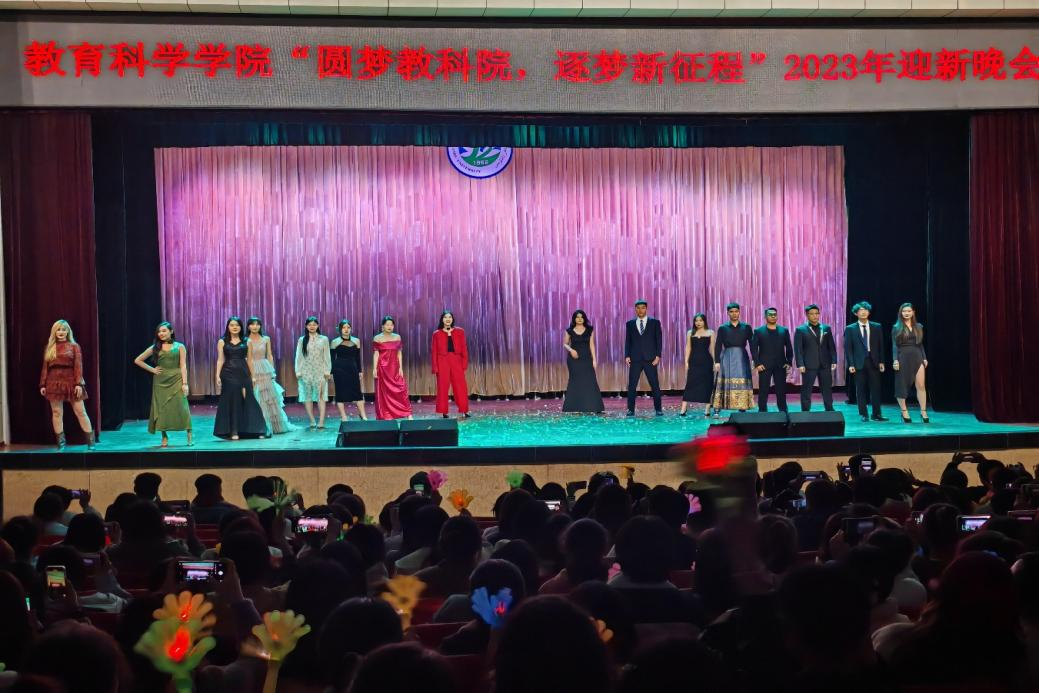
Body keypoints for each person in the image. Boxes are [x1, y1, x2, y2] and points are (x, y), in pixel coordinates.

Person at [133, 321, 193, 447]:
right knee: (161, 409)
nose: (161, 333)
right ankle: (164, 436)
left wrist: (185, 383)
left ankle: (189, 434)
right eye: (159, 331)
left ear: (171, 332)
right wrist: (152, 370)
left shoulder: (180, 346)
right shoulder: (155, 347)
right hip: (160, 382)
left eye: (164, 331)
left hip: (176, 379)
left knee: (182, 406)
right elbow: (138, 360)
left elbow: (183, 365)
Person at [39, 319, 95, 450]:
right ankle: (61, 444)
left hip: (71, 381)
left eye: (64, 330)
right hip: (53, 382)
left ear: (68, 332)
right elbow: (45, 368)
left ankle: (91, 443)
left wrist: (78, 384)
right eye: (58, 329)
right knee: (57, 412)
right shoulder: (49, 347)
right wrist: (42, 384)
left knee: (81, 412)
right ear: (54, 332)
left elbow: (78, 366)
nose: (61, 332)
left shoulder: (74, 346)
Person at [214, 316, 268, 440]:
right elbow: (220, 359)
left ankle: (257, 430)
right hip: (228, 374)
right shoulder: (222, 341)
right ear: (228, 327)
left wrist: (253, 376)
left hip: (243, 373)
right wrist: (217, 375)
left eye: (237, 325)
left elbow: (250, 360)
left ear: (241, 327)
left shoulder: (247, 341)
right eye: (232, 325)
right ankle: (233, 431)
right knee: (232, 401)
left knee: (249, 399)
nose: (235, 327)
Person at [246, 316, 294, 434]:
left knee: (269, 398)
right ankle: (259, 426)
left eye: (257, 324)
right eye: (252, 324)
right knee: (256, 396)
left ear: (260, 326)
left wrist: (272, 371)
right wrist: (249, 373)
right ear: (248, 326)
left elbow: (269, 355)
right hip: (251, 368)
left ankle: (271, 426)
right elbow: (247, 358)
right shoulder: (245, 340)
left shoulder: (266, 339)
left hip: (265, 368)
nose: (255, 327)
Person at [844, 301, 887, 422]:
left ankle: (876, 414)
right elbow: (848, 348)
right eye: (860, 310)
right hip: (858, 362)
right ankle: (863, 414)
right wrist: (851, 364)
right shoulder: (850, 328)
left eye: (865, 310)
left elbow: (880, 345)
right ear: (856, 313)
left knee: (876, 389)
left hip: (874, 361)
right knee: (860, 389)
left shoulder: (876, 326)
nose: (863, 312)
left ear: (869, 312)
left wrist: (882, 361)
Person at [794, 304, 839, 412]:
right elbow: (798, 349)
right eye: (812, 314)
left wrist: (834, 360)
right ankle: (805, 410)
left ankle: (829, 408)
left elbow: (831, 346)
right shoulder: (801, 330)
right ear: (807, 315)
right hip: (809, 364)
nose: (815, 316)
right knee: (807, 389)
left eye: (817, 313)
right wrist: (800, 364)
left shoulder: (826, 328)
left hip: (825, 363)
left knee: (827, 388)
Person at [623, 300, 663, 416]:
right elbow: (628, 341)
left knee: (654, 385)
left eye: (643, 308)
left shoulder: (654, 323)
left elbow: (659, 340)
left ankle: (658, 409)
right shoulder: (630, 324)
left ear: (646, 309)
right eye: (638, 308)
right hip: (635, 359)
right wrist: (627, 355)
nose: (640, 310)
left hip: (650, 359)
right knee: (632, 385)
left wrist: (658, 356)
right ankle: (630, 410)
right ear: (635, 309)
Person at [713, 303, 754, 413]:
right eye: (731, 312)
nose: (734, 314)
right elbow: (718, 345)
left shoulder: (746, 327)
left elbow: (752, 344)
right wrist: (717, 361)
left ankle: (742, 405)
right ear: (728, 313)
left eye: (736, 311)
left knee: (742, 379)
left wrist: (755, 359)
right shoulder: (723, 328)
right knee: (724, 379)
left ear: (739, 312)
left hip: (741, 356)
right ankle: (718, 406)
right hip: (727, 356)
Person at [892, 302, 929, 423]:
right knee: (902, 385)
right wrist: (895, 360)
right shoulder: (896, 327)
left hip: (917, 357)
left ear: (913, 312)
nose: (906, 313)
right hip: (903, 357)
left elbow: (920, 344)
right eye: (904, 311)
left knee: (921, 385)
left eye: (909, 311)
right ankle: (904, 411)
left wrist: (924, 358)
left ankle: (923, 411)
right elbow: (895, 346)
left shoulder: (919, 326)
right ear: (901, 313)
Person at [751, 307, 793, 413]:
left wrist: (789, 362)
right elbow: (754, 349)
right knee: (763, 389)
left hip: (780, 364)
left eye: (775, 314)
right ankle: (762, 410)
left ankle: (783, 410)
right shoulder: (759, 331)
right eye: (770, 315)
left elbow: (789, 347)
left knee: (781, 390)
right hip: (764, 365)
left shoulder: (784, 330)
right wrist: (757, 364)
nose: (773, 316)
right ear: (765, 317)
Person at [563, 309, 604, 414]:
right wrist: (571, 350)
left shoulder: (590, 329)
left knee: (590, 381)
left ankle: (592, 406)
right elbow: (565, 344)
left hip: (587, 359)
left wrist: (594, 359)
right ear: (574, 319)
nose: (580, 319)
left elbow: (592, 345)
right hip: (574, 360)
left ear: (584, 318)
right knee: (575, 381)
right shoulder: (569, 330)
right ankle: (573, 407)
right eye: (577, 317)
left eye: (581, 317)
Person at [431, 311, 471, 418]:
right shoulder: (436, 334)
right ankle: (444, 411)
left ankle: (464, 410)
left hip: (456, 360)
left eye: (449, 317)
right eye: (445, 317)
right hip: (442, 361)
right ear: (442, 320)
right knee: (443, 387)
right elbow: (434, 351)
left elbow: (464, 348)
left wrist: (464, 363)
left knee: (460, 386)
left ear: (452, 319)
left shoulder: (460, 331)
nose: (448, 319)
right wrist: (435, 367)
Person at [295, 315, 332, 430]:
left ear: (318, 326)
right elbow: (298, 356)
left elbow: (327, 356)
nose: (312, 326)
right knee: (308, 396)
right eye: (310, 325)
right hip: (306, 371)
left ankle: (321, 421)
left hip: (320, 371)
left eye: (314, 324)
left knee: (321, 396)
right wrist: (298, 371)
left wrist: (327, 370)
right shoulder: (302, 340)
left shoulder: (323, 339)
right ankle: (311, 420)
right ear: (306, 326)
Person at [372, 316, 413, 420]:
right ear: (383, 326)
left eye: (391, 325)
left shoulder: (397, 337)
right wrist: (374, 369)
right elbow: (376, 354)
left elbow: (399, 353)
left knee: (401, 389)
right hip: (382, 368)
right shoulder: (377, 338)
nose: (389, 326)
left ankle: (408, 413)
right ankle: (386, 415)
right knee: (384, 392)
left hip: (394, 367)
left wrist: (400, 368)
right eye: (387, 324)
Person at [331, 319, 368, 422]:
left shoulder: (356, 341)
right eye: (344, 328)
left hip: (352, 368)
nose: (346, 329)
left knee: (357, 392)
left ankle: (363, 415)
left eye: (348, 327)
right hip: (339, 369)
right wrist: (331, 373)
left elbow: (358, 358)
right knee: (340, 393)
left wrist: (360, 371)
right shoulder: (335, 342)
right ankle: (344, 417)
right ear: (340, 329)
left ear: (351, 329)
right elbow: (332, 359)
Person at [680, 313, 715, 417]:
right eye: (696, 321)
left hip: (706, 361)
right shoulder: (690, 333)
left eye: (700, 320)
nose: (698, 322)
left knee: (707, 384)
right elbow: (688, 348)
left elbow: (712, 349)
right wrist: (686, 362)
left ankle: (707, 409)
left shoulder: (710, 332)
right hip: (694, 361)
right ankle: (683, 408)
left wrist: (715, 362)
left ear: (704, 321)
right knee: (690, 384)